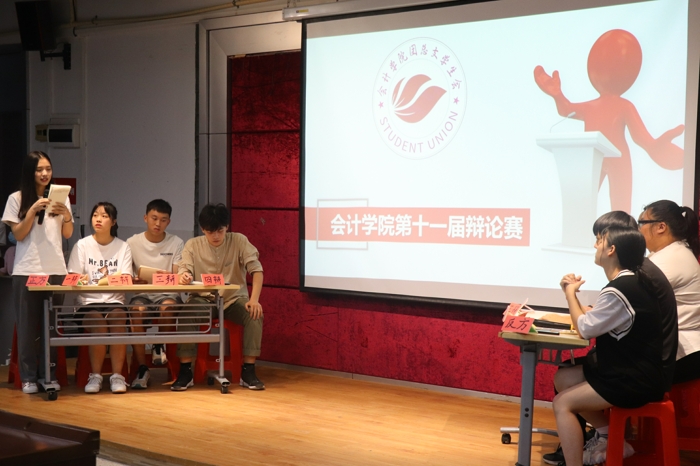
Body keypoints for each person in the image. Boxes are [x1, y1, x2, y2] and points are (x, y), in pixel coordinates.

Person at [543, 212, 678, 465]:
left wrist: (569, 293)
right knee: (563, 378)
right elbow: (594, 320)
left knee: (562, 404)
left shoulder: (620, 288)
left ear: (611, 249)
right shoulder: (630, 281)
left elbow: (584, 329)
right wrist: (577, 300)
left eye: (600, 240)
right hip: (630, 370)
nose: (595, 246)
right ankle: (608, 436)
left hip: (633, 379)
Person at [1, 151, 74, 394]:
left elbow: (67, 234)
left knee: (50, 326)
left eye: (48, 169)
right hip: (27, 269)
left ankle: (48, 374)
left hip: (56, 269)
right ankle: (29, 377)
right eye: (39, 169)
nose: (44, 174)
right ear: (30, 171)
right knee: (27, 326)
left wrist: (66, 215)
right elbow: (19, 234)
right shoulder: (16, 198)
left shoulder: (61, 197)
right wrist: (32, 210)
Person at [175, 203, 265, 391]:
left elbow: (256, 270)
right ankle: (185, 370)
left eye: (220, 231)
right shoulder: (193, 245)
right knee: (186, 314)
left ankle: (248, 370)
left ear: (227, 227)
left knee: (254, 314)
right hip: (202, 300)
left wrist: (254, 300)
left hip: (233, 300)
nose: (216, 236)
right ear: (202, 229)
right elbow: (185, 269)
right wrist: (184, 276)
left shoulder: (239, 241)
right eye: (210, 232)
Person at [67, 202, 132, 394]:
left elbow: (126, 278)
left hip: (114, 301)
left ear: (113, 221)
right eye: (95, 215)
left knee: (118, 319)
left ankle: (117, 376)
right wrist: (80, 279)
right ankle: (95, 375)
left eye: (104, 216)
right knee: (98, 323)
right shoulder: (82, 245)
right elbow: (72, 277)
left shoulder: (123, 247)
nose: (98, 219)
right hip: (87, 303)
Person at [638, 200, 700, 384]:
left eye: (642, 223)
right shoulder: (670, 253)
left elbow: (631, 298)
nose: (638, 230)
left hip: (681, 353)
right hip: (675, 349)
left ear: (661, 227)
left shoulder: (671, 258)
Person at [127, 199, 184, 389]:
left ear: (169, 222)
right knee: (136, 310)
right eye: (154, 218)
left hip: (168, 293)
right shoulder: (132, 242)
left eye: (163, 220)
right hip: (142, 293)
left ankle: (159, 345)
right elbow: (126, 274)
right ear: (145, 218)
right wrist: (135, 279)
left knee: (167, 307)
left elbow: (178, 275)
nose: (158, 223)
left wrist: (169, 276)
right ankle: (142, 367)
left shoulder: (176, 242)